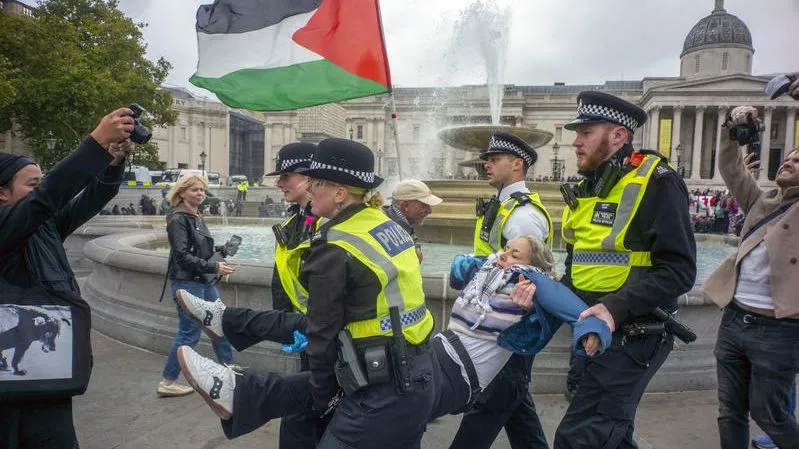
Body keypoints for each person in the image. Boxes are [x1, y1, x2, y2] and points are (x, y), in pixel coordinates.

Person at [171, 236, 611, 441]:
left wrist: (592, 328)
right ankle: (239, 385)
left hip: (456, 376)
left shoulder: (532, 282)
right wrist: (491, 259)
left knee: (357, 379)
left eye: (515, 253)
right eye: (505, 248)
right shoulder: (491, 273)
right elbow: (460, 268)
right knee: (352, 371)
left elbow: (571, 303)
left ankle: (239, 378)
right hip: (434, 352)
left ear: (534, 263)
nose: (505, 256)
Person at [555, 91, 697, 448]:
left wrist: (614, 308)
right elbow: (579, 262)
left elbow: (679, 270)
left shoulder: (659, 182)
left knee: (580, 437)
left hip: (634, 335)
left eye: (586, 132)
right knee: (610, 435)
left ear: (618, 135)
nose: (575, 141)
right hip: (589, 330)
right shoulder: (587, 186)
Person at [0, 108, 136, 448]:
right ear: (3, 193)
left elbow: (89, 199)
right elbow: (50, 196)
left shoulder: (46, 226)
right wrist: (95, 141)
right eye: (33, 183)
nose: (43, 188)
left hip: (48, 376)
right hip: (9, 386)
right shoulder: (6, 228)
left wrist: (114, 161)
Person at [701, 105, 799, 449]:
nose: (788, 161)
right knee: (730, 411)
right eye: (788, 157)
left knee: (769, 413)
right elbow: (730, 169)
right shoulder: (761, 200)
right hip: (734, 319)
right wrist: (733, 128)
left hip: (779, 329)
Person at [450, 131, 552, 449]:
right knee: (516, 408)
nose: (487, 165)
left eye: (495, 159)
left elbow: (525, 277)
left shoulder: (523, 216)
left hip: (507, 328)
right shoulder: (505, 206)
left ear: (517, 164)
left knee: (489, 404)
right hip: (497, 322)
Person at [157, 175, 236, 398]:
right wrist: (214, 268)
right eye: (194, 190)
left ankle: (229, 368)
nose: (200, 194)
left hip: (202, 281)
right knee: (189, 333)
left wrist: (222, 248)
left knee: (219, 324)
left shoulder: (195, 215)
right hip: (188, 283)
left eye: (202, 190)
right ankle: (167, 381)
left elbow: (200, 250)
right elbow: (182, 256)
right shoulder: (178, 218)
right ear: (182, 193)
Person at [265, 141, 322, 449]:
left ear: (308, 178)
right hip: (305, 329)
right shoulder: (294, 219)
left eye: (286, 176)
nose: (279, 183)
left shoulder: (327, 222)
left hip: (325, 335)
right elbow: (282, 279)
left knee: (302, 416)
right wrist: (285, 323)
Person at [383, 179, 443, 263]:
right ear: (406, 206)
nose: (429, 211)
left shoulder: (401, 225)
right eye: (424, 205)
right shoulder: (384, 229)